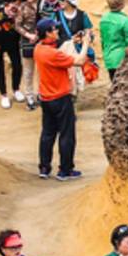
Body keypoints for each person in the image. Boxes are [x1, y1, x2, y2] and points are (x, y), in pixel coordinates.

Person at [34, 22, 80, 180]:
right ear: (47, 33)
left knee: (47, 133)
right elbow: (79, 61)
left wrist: (71, 41)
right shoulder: (53, 54)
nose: (57, 30)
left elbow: (56, 48)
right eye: (54, 29)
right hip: (61, 97)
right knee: (67, 134)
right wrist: (87, 42)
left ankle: (44, 168)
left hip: (46, 98)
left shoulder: (38, 49)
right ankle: (65, 170)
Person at [100, 0, 128, 74]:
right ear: (122, 5)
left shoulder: (103, 20)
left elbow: (102, 39)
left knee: (114, 83)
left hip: (108, 58)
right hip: (122, 59)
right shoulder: (125, 21)